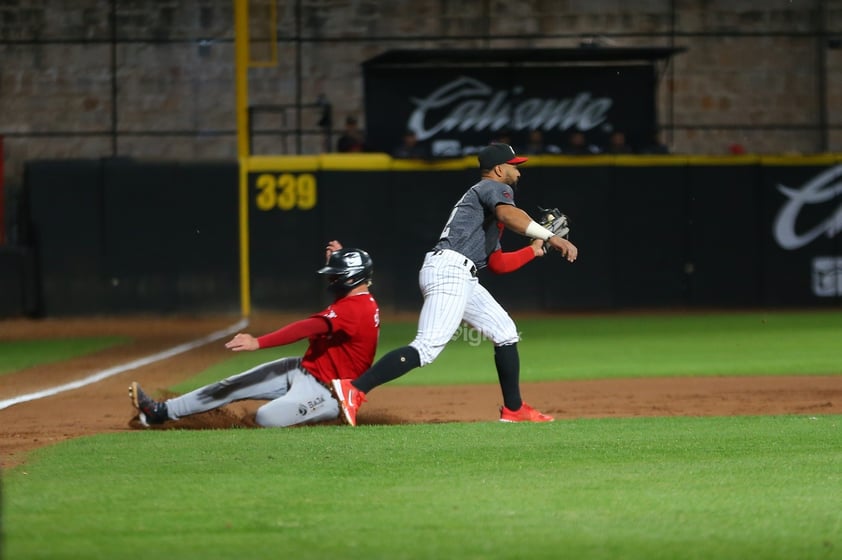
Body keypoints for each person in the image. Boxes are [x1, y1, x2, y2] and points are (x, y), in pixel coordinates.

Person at [332, 143, 578, 426]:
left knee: (505, 332)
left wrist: (535, 249)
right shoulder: (493, 189)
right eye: (514, 166)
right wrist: (550, 236)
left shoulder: (483, 210)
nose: (517, 171)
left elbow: (497, 264)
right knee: (426, 347)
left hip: (460, 273)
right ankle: (354, 390)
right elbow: (510, 216)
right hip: (451, 270)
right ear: (499, 169)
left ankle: (514, 408)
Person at [128, 241, 380, 428]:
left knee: (265, 418)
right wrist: (337, 260)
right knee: (230, 385)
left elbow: (305, 328)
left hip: (329, 394)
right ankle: (159, 411)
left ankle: (329, 415)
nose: (330, 280)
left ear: (350, 278)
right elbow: (343, 296)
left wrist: (258, 342)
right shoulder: (358, 300)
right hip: (304, 370)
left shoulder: (356, 309)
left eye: (335, 275)